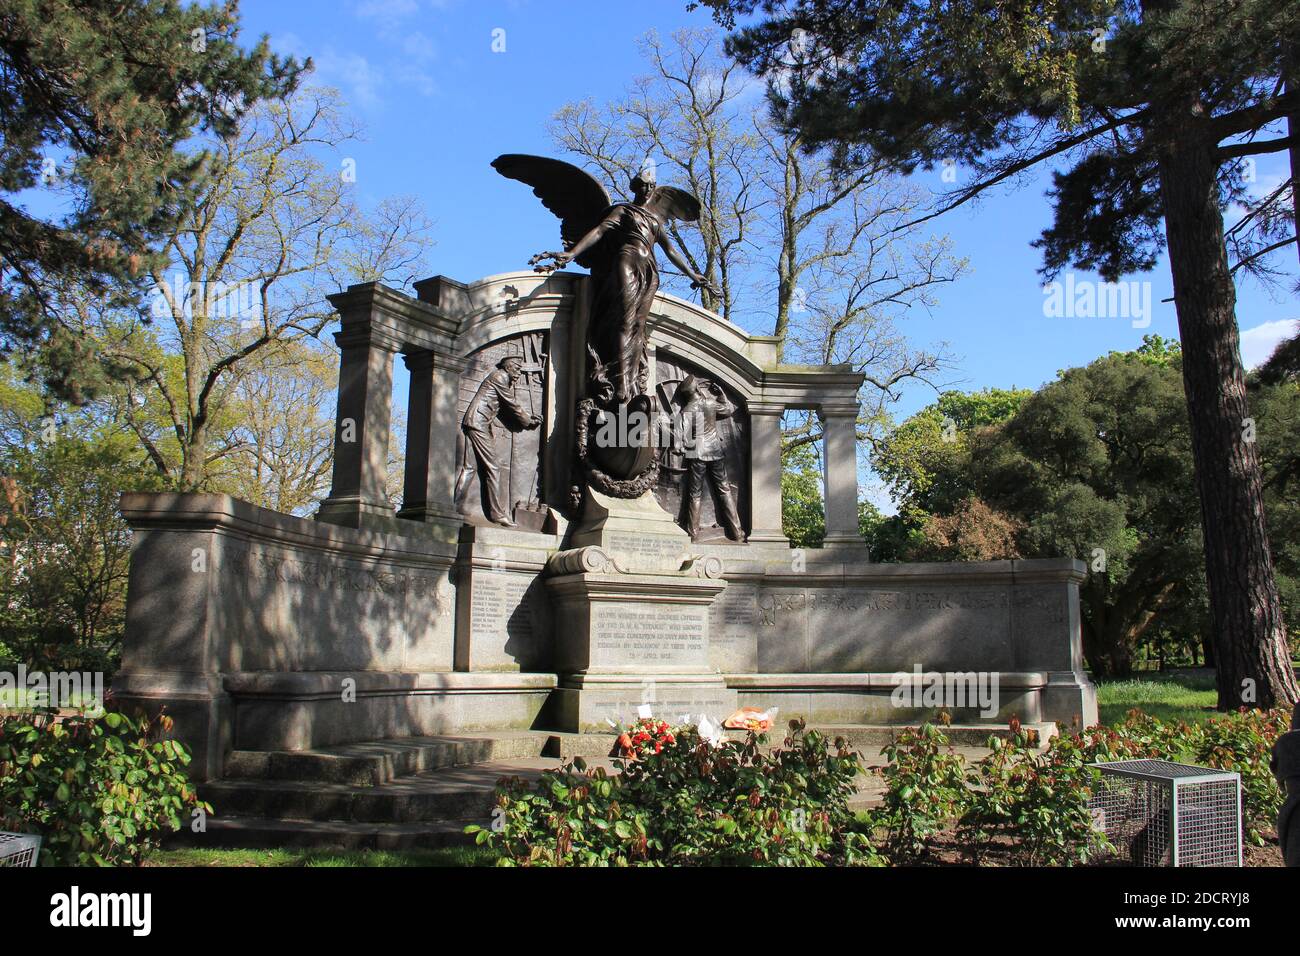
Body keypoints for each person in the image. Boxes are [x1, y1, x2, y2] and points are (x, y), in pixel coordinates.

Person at [454, 356, 540, 526]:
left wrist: (528, 417)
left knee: (469, 468)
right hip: (478, 423)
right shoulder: (500, 376)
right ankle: (497, 514)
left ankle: (454, 507)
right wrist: (528, 421)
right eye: (517, 368)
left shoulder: (500, 377)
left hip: (475, 422)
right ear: (508, 367)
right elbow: (511, 404)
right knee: (494, 468)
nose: (519, 372)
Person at [671, 374, 745, 542]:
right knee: (724, 490)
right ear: (697, 388)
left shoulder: (686, 411)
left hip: (697, 453)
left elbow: (681, 439)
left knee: (694, 494)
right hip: (715, 450)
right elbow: (727, 409)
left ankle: (692, 533)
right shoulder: (711, 404)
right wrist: (721, 394)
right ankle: (736, 533)